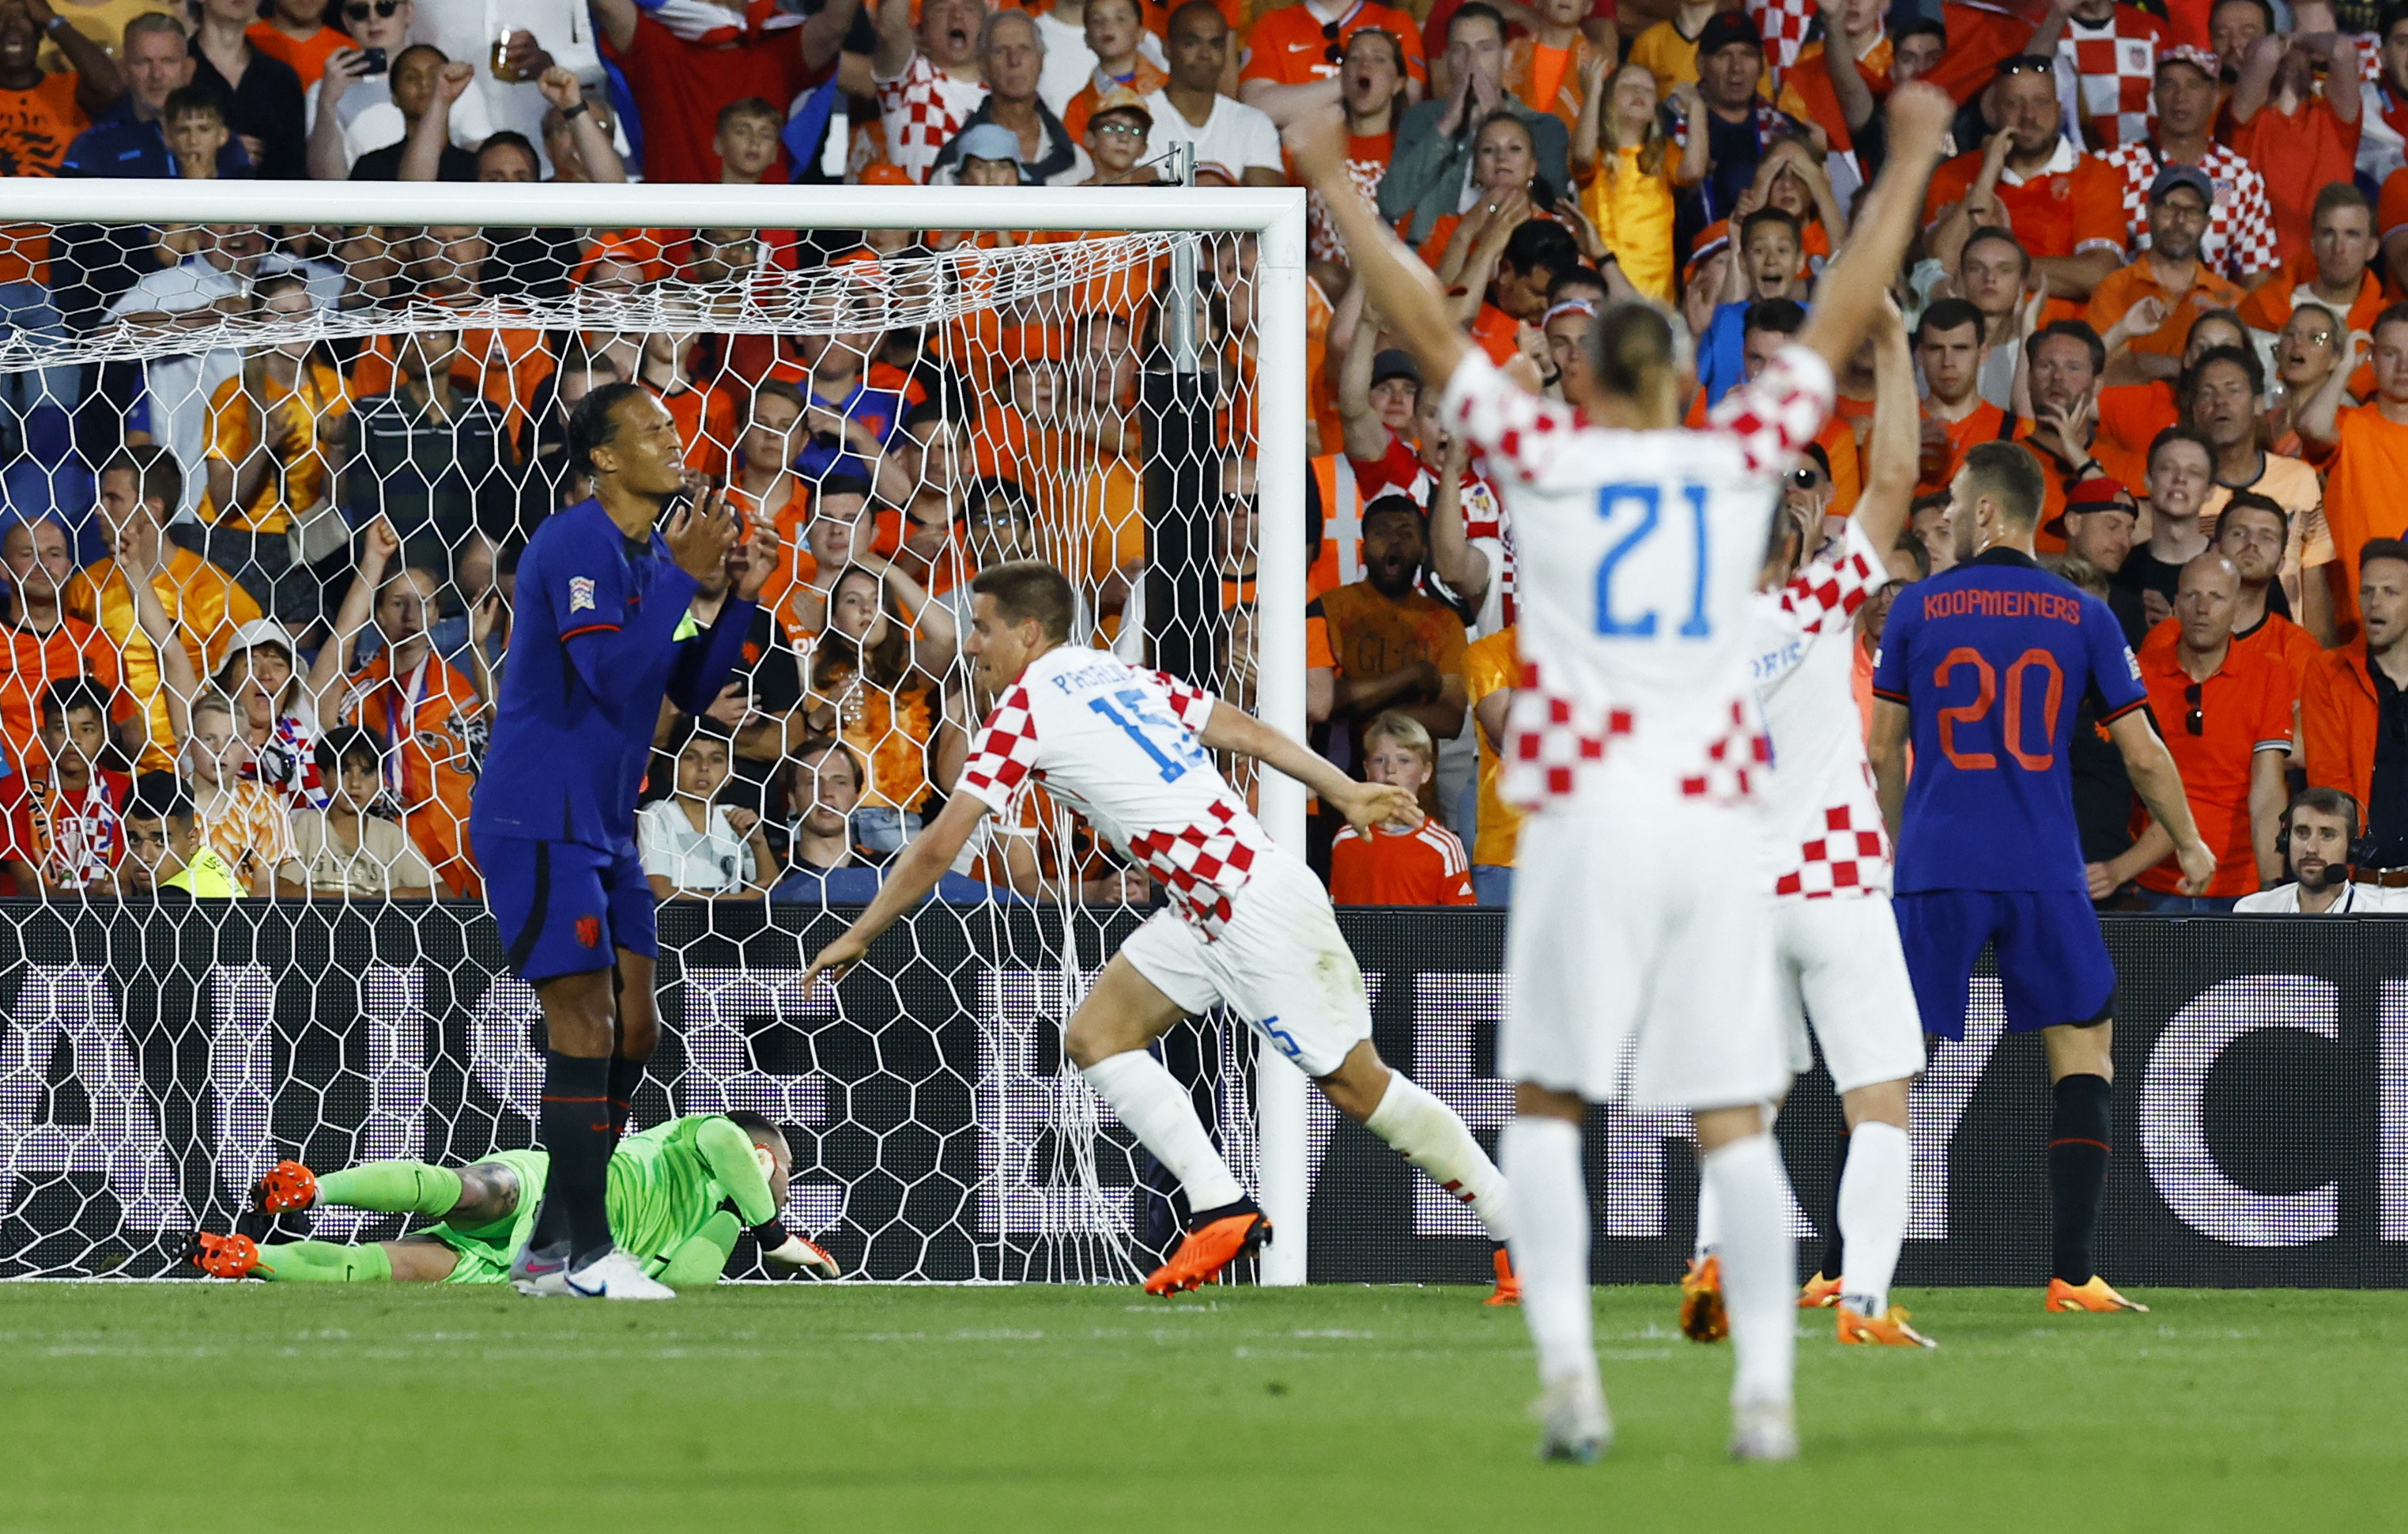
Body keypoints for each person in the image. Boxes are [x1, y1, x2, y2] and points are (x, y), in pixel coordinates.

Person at [1293, 77, 1953, 1461]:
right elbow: (1840, 322)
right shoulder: (1736, 465)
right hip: (1714, 830)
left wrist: (1332, 177)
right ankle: (1765, 1400)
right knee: (1736, 1121)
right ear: (1687, 381)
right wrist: (1901, 157)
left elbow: (1419, 317)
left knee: (1546, 1105)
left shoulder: (1544, 455)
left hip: (1591, 823)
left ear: (1593, 381)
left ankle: (1575, 1383)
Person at [803, 561, 1521, 1306]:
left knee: (1354, 1083)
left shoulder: (1023, 709)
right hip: (1201, 907)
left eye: (982, 629)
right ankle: (1220, 1206)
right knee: (1096, 1036)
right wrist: (1338, 786)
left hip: (1251, 903)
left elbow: (937, 845)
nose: (972, 645)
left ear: (1028, 632)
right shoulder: (1113, 672)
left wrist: (860, 934)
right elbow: (1236, 727)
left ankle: (1513, 1220)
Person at [1870, 439, 2216, 1317]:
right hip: (2041, 862)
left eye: (1952, 500)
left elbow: (1880, 747)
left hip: (1938, 861)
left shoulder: (1916, 609)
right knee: (2083, 1052)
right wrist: (2189, 842)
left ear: (1986, 511)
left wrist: (1897, 845)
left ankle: (1842, 1267)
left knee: (1887, 1067)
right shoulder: (2082, 615)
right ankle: (2071, 1270)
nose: (1944, 512)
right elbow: (2141, 752)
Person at [468, 382, 773, 1301]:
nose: (673, 440)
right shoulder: (573, 544)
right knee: (587, 1024)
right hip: (543, 815)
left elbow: (677, 687)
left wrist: (736, 603)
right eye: (650, 429)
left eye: (675, 425)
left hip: (606, 824)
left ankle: (548, 1245)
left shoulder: (644, 557)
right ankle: (588, 1258)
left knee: (636, 1027)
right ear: (601, 457)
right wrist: (685, 573)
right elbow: (605, 673)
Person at [1691, 292, 1930, 1350]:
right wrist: (1884, 341)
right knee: (1876, 1095)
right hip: (1831, 884)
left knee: (1751, 1094)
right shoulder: (1816, 602)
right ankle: (1865, 1304)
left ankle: (1710, 1259)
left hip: (1735, 894)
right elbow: (1892, 482)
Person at [187, 1112, 837, 1286]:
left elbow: (688, 1283)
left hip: (537, 1259)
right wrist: (773, 1236)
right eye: (784, 1170)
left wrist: (731, 1222)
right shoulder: (704, 1138)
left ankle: (257, 1251)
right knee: (464, 1191)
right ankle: (298, 1207)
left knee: (395, 1257)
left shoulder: (716, 1219)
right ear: (764, 1161)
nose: (784, 1184)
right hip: (565, 1195)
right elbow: (727, 1136)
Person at [2089, 553, 2291, 910]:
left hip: (2239, 887)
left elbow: (2268, 791)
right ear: (2176, 604)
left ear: (2237, 608)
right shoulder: (2141, 675)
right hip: (2150, 883)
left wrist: (2271, 889)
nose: (2202, 608)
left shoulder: (2268, 676)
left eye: (2216, 597)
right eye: (2193, 595)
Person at [66, 447, 261, 773]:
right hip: (106, 774)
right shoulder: (86, 588)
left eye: (114, 499)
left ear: (152, 509)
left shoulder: (216, 594)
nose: (99, 510)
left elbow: (254, 687)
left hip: (191, 773)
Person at [1923, 56, 2127, 303]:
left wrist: (1990, 269)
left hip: (2061, 335)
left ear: (2058, 108)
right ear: (1993, 111)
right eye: (2013, 103)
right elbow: (1940, 268)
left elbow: (2099, 275)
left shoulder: (2095, 173)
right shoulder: (1952, 174)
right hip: (1974, 336)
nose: (2029, 115)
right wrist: (1986, 175)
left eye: (2040, 102)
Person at [1381, 5, 1570, 247]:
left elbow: (1553, 205)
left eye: (1485, 49)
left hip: (1512, 257)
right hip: (1426, 261)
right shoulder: (1421, 119)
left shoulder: (1544, 126)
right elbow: (1392, 203)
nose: (1473, 63)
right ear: (1447, 60)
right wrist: (1446, 127)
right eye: (1461, 50)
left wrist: (1495, 124)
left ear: (1507, 57)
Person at [2101, 47, 2279, 284]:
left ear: (2214, 96)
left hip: (2210, 313)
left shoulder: (2241, 176)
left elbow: (2257, 274)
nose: (2180, 97)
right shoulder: (2113, 166)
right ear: (2154, 95)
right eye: (2168, 85)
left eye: (2193, 86)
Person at [0, 517, 123, 784]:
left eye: (54, 554)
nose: (42, 563)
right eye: (28, 554)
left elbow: (126, 739)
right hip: (8, 802)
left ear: (68, 567)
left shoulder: (98, 645)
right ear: (3, 569)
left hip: (85, 801)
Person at [1327, 711, 1474, 905]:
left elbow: (1462, 924)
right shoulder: (1346, 839)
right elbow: (1338, 912)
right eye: (1379, 760)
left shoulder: (1444, 845)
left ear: (1426, 773)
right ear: (1366, 769)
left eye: (1404, 760)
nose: (1390, 769)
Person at [0, 679, 130, 897]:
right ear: (43, 735)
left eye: (87, 729)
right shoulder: (12, 792)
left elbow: (123, 883)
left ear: (106, 735)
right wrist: (88, 897)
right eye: (61, 729)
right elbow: (28, 887)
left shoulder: (128, 793)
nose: (74, 740)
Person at [277, 727, 438, 900]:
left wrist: (397, 896)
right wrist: (351, 902)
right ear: (322, 777)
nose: (354, 783)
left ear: (382, 779)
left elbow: (442, 892)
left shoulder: (390, 835)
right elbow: (282, 889)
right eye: (343, 772)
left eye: (366, 772)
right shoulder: (308, 825)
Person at [1143, 1, 1281, 186]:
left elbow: (1268, 206)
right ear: (1167, 48)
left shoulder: (1254, 124)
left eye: (1216, 45)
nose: (1205, 54)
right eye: (1191, 43)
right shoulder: (1138, 117)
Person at [638, 718, 776, 901]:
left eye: (716, 760)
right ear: (670, 769)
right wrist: (742, 900)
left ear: (730, 774)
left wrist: (759, 843)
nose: (703, 767)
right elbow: (660, 891)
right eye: (691, 757)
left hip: (729, 928)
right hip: (674, 927)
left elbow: (776, 895)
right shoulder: (656, 816)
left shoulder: (735, 817)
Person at [2234, 789, 2395, 912]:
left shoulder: (2379, 925)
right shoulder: (2253, 911)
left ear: (2352, 847)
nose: (2311, 848)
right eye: (2302, 833)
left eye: (2327, 835)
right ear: (2286, 839)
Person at [115, 769, 241, 897]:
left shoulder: (175, 897)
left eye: (161, 842)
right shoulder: (206, 867)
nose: (144, 857)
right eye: (134, 840)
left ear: (192, 841)